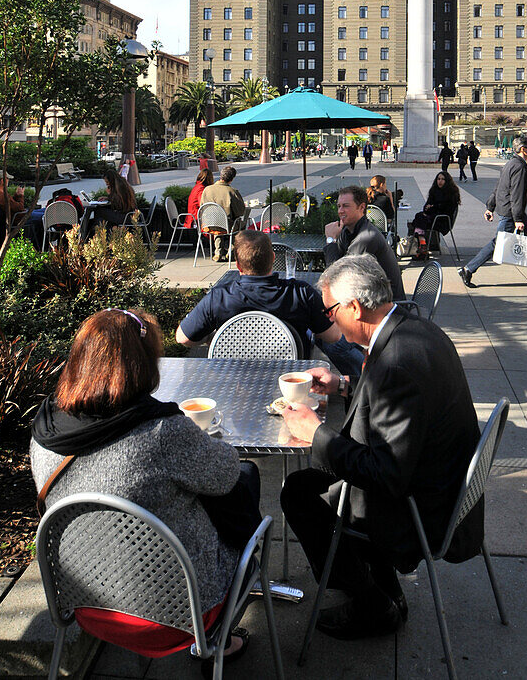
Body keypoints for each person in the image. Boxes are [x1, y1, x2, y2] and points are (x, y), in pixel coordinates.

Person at [30, 308, 259, 663]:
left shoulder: (43, 432)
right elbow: (226, 473)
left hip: (85, 603)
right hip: (181, 617)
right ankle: (219, 643)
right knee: (246, 479)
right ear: (144, 366)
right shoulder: (162, 433)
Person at [280, 256, 482, 640]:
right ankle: (375, 583)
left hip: (419, 508)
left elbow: (384, 474)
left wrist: (316, 432)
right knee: (317, 481)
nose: (329, 319)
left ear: (355, 307)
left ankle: (373, 604)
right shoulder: (415, 330)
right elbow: (398, 407)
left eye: (330, 310)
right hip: (439, 479)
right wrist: (342, 384)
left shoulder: (396, 365)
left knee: (298, 492)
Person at [176, 231, 363, 377]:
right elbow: (332, 336)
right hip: (290, 380)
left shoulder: (219, 297)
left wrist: (215, 337)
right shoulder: (300, 293)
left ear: (238, 265)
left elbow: (183, 338)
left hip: (234, 384)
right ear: (273, 259)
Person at [458, 135, 527, 289]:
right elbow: (516, 193)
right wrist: (517, 218)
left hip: (511, 210)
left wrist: (490, 206)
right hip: (511, 212)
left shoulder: (510, 163)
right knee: (498, 243)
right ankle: (468, 269)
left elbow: (499, 187)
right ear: (523, 149)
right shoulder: (520, 167)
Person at [324, 186, 404, 300]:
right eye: (339, 206)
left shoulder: (366, 237)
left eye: (345, 206)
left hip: (385, 309)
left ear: (361, 207)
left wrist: (331, 240)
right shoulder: (347, 231)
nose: (340, 211)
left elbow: (338, 279)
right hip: (367, 299)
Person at [408, 171, 461, 254]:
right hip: (433, 217)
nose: (440, 181)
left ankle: (422, 244)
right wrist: (430, 208)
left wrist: (432, 208)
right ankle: (423, 244)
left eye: (443, 179)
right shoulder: (434, 191)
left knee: (418, 220)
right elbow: (426, 207)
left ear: (447, 181)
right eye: (438, 179)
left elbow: (446, 210)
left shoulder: (451, 193)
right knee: (419, 216)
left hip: (442, 220)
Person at [200, 165, 245, 261]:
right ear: (232, 179)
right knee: (238, 224)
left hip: (209, 223)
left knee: (217, 221)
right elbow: (240, 211)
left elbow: (202, 206)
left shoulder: (207, 190)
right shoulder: (232, 191)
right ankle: (231, 252)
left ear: (221, 176)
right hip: (227, 226)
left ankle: (218, 251)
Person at [79, 169, 136, 242]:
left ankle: (94, 235)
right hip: (126, 214)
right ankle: (99, 235)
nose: (106, 184)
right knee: (100, 219)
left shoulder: (120, 187)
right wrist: (108, 198)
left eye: (107, 182)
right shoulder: (122, 184)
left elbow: (118, 203)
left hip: (125, 216)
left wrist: (110, 194)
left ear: (111, 180)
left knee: (98, 211)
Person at [0, 175, 30, 249]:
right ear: (2, 181)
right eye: (7, 178)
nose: (8, 180)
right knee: (42, 215)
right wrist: (21, 196)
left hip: (13, 217)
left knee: (41, 212)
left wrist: (16, 196)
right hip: (18, 218)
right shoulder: (2, 196)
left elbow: (11, 205)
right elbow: (19, 208)